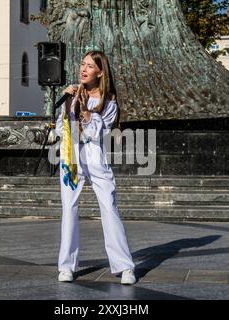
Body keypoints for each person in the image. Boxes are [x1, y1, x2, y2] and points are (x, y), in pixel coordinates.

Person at [55, 51, 136, 285]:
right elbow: (62, 129)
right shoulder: (71, 95)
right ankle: (66, 266)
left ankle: (125, 266)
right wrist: (67, 105)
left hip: (95, 155)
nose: (83, 69)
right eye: (82, 64)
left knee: (109, 207)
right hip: (71, 157)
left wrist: (87, 114)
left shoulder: (108, 100)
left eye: (89, 66)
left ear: (100, 72)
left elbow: (98, 133)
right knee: (69, 208)